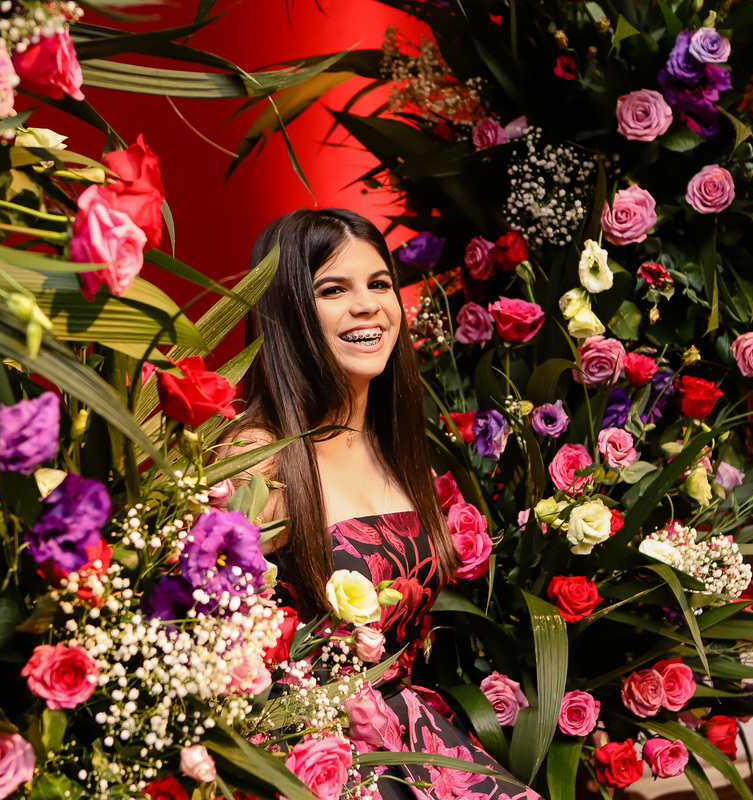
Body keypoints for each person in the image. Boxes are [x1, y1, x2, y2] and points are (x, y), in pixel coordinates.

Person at [219, 208, 539, 800]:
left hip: (412, 734)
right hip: (313, 759)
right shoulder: (258, 455)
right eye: (333, 289)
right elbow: (217, 649)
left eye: (379, 283)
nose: (367, 306)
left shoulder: (391, 445)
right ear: (287, 310)